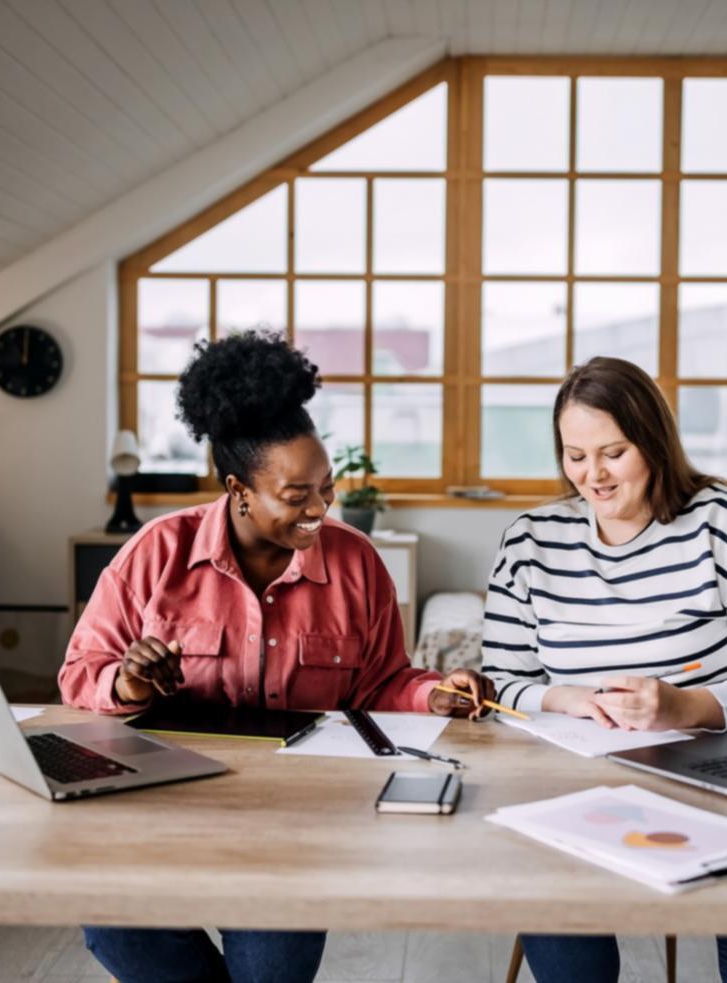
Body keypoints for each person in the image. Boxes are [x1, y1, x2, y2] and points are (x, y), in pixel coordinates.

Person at [60, 330, 493, 983]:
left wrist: (434, 693)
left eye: (327, 486)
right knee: (115, 925)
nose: (322, 507)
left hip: (296, 823)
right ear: (238, 489)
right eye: (298, 495)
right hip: (164, 808)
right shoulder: (155, 553)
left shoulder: (357, 565)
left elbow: (383, 680)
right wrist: (127, 681)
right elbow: (78, 674)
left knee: (271, 972)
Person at [482, 356, 727, 983]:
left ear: (655, 443)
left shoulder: (725, 521)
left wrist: (688, 706)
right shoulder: (530, 541)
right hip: (575, 789)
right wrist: (567, 700)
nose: (594, 476)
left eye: (613, 452)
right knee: (567, 954)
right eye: (575, 455)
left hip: (720, 781)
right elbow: (500, 684)